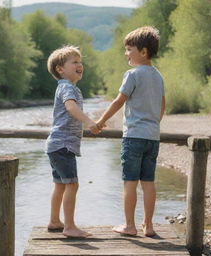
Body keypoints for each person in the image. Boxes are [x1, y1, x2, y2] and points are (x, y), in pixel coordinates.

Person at [97, 26, 165, 237]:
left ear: (143, 52)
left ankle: (129, 225)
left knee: (129, 182)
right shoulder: (158, 76)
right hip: (152, 137)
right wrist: (153, 123)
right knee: (148, 182)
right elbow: (162, 105)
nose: (126, 53)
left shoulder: (132, 74)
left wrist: (101, 121)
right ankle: (149, 225)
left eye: (129, 49)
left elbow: (119, 101)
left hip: (134, 136)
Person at [46, 45, 99, 238]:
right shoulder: (67, 87)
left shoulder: (67, 87)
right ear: (60, 69)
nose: (80, 65)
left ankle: (54, 221)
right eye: (74, 62)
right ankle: (69, 226)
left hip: (56, 144)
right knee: (72, 184)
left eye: (80, 62)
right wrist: (90, 122)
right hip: (63, 145)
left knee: (60, 184)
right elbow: (70, 108)